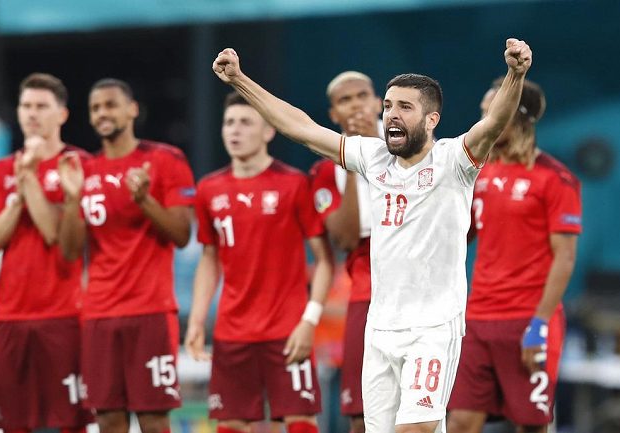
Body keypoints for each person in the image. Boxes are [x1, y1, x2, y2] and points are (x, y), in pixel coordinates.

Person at [211, 38, 533, 433]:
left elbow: (493, 123)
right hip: (380, 329)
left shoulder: (454, 161)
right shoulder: (374, 157)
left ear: (431, 120)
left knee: (415, 429)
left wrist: (516, 75)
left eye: (404, 107)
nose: (391, 115)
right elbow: (302, 129)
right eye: (388, 106)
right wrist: (240, 81)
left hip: (431, 328)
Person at [184, 91, 333, 433]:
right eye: (229, 122)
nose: (235, 130)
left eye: (246, 122)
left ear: (268, 132)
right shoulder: (209, 188)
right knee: (231, 423)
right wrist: (196, 319)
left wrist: (309, 321)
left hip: (287, 330)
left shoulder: (294, 184)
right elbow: (210, 259)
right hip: (232, 332)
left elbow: (325, 261)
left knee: (300, 420)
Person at [57, 78, 195, 433]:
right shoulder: (83, 171)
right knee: (107, 418)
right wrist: (72, 200)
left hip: (149, 311)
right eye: (95, 108)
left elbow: (181, 235)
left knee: (153, 418)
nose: (102, 113)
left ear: (132, 109)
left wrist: (144, 200)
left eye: (110, 105)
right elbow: (71, 252)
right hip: (99, 314)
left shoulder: (165, 159)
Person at [446, 79, 582, 433]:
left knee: (530, 426)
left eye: (490, 113)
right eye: (481, 114)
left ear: (516, 116)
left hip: (528, 320)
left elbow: (565, 258)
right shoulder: (478, 174)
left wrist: (539, 325)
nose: (482, 122)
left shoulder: (556, 179)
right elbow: (458, 239)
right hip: (477, 320)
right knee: (459, 422)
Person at [0, 73, 91, 433]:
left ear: (62, 114)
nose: (31, 114)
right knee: (12, 426)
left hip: (64, 315)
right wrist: (21, 191)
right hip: (8, 316)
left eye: (41, 106)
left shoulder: (79, 166)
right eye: (26, 105)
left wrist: (30, 178)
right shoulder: (2, 170)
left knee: (68, 424)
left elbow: (56, 236)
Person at [309, 71, 382, 433]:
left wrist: (378, 147)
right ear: (333, 115)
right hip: (366, 293)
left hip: (419, 291)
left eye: (362, 95)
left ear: (378, 102)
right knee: (361, 415)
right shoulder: (325, 169)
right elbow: (346, 239)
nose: (356, 105)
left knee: (421, 413)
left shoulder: (415, 146)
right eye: (345, 100)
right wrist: (354, 163)